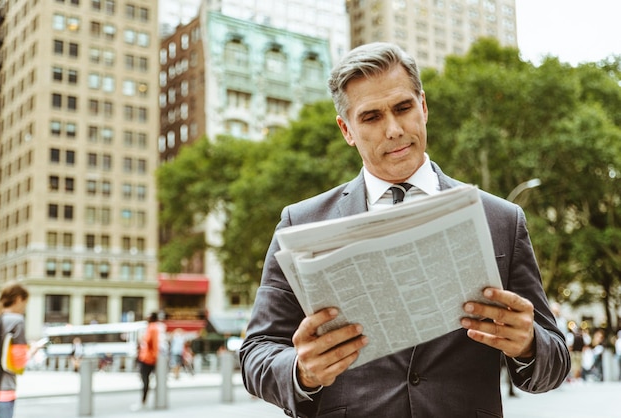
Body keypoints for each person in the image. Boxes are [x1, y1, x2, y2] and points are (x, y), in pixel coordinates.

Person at [239, 42, 571, 418]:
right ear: (346, 130)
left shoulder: (502, 219)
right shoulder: (302, 222)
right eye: (371, 117)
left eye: (403, 108)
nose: (394, 130)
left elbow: (555, 363)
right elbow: (256, 353)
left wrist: (527, 343)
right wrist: (301, 371)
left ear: (423, 107)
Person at [0, 281, 44, 418]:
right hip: (3, 389)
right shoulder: (16, 320)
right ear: (18, 299)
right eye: (25, 303)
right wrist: (33, 349)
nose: (24, 308)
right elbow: (19, 362)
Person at [131, 312, 160, 411]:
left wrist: (142, 339)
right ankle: (147, 401)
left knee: (145, 380)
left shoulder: (152, 328)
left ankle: (143, 401)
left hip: (147, 358)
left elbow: (150, 342)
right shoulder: (155, 327)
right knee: (147, 380)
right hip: (150, 357)